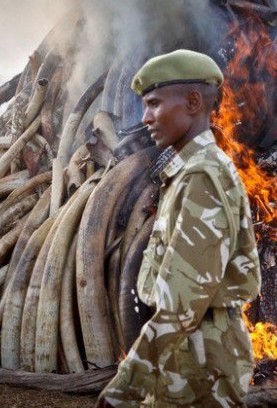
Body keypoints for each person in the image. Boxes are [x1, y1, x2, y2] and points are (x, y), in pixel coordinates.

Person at [98, 49, 261, 407]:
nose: (145, 118)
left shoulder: (202, 175)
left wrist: (126, 385)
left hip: (199, 362)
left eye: (154, 103)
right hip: (188, 353)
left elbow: (181, 302)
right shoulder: (189, 170)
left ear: (192, 102)